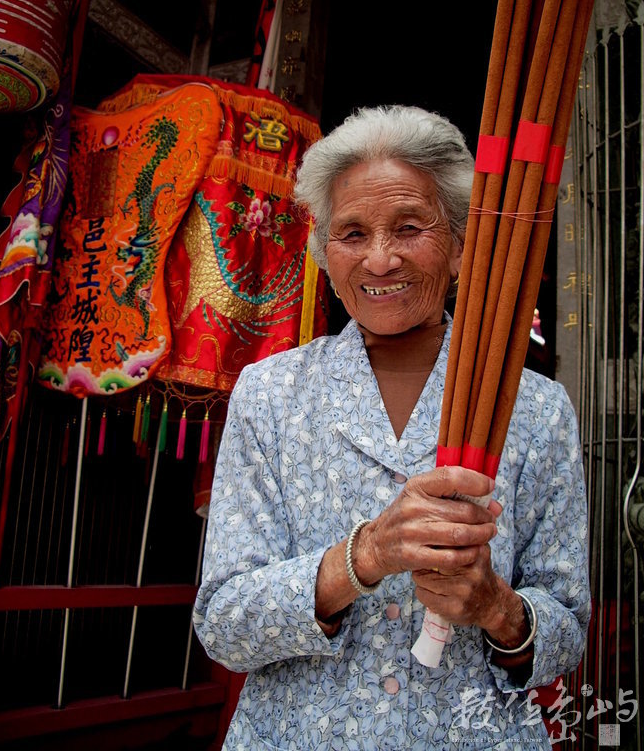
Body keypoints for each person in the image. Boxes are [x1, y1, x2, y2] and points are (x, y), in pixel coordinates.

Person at [193, 105, 591, 750]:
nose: (380, 259)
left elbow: (567, 634)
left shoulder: (535, 406)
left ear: (461, 245)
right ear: (324, 253)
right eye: (351, 234)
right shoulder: (270, 394)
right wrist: (367, 556)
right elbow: (223, 625)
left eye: (410, 227)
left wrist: (497, 607)